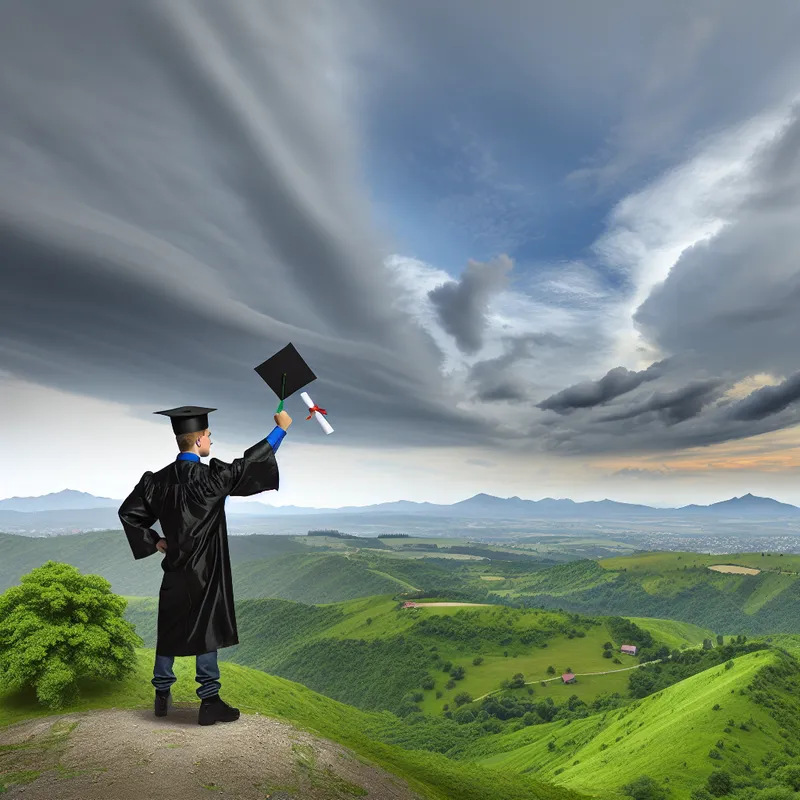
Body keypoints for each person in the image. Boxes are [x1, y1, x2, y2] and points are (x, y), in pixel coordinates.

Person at [118, 405, 292, 725]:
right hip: (206, 570)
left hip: (174, 569)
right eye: (208, 435)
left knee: (169, 630)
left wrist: (155, 541)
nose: (210, 439)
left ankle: (161, 694)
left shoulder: (156, 482)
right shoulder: (212, 478)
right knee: (206, 630)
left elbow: (129, 513)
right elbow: (248, 465)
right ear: (198, 440)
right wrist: (280, 429)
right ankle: (209, 702)